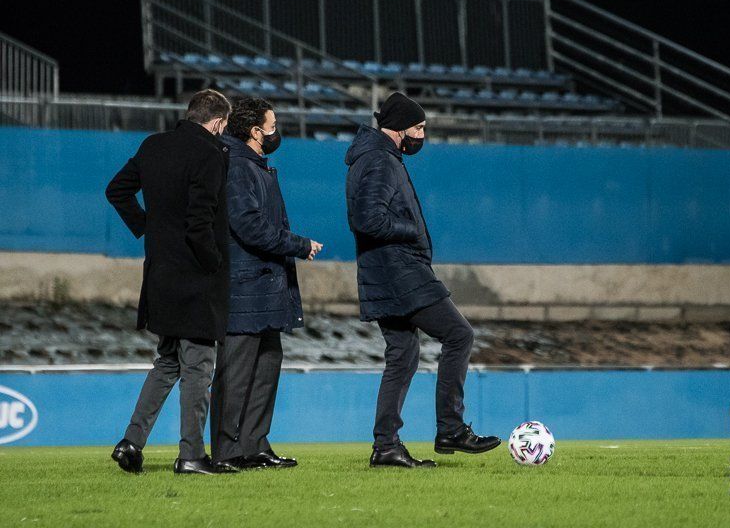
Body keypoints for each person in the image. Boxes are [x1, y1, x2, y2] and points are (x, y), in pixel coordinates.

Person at [344, 92, 501, 468]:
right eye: (418, 127)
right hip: (400, 272)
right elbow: (367, 220)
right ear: (398, 129)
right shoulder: (381, 161)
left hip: (385, 273)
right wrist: (411, 229)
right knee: (459, 334)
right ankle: (450, 428)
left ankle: (386, 447)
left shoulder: (375, 157)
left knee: (402, 356)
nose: (422, 135)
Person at [106, 89, 234, 475]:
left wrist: (149, 228)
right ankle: (192, 455)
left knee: (166, 362)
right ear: (216, 122)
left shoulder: (153, 146)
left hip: (160, 274)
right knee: (197, 366)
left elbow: (117, 191)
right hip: (195, 277)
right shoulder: (210, 153)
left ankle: (131, 441)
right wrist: (213, 263)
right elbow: (199, 223)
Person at [209, 98, 323, 471]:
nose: (277, 131)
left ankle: (254, 445)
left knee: (268, 364)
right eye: (273, 124)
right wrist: (298, 244)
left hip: (264, 288)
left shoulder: (254, 166)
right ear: (256, 131)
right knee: (236, 373)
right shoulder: (239, 166)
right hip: (245, 289)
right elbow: (249, 226)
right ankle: (227, 452)